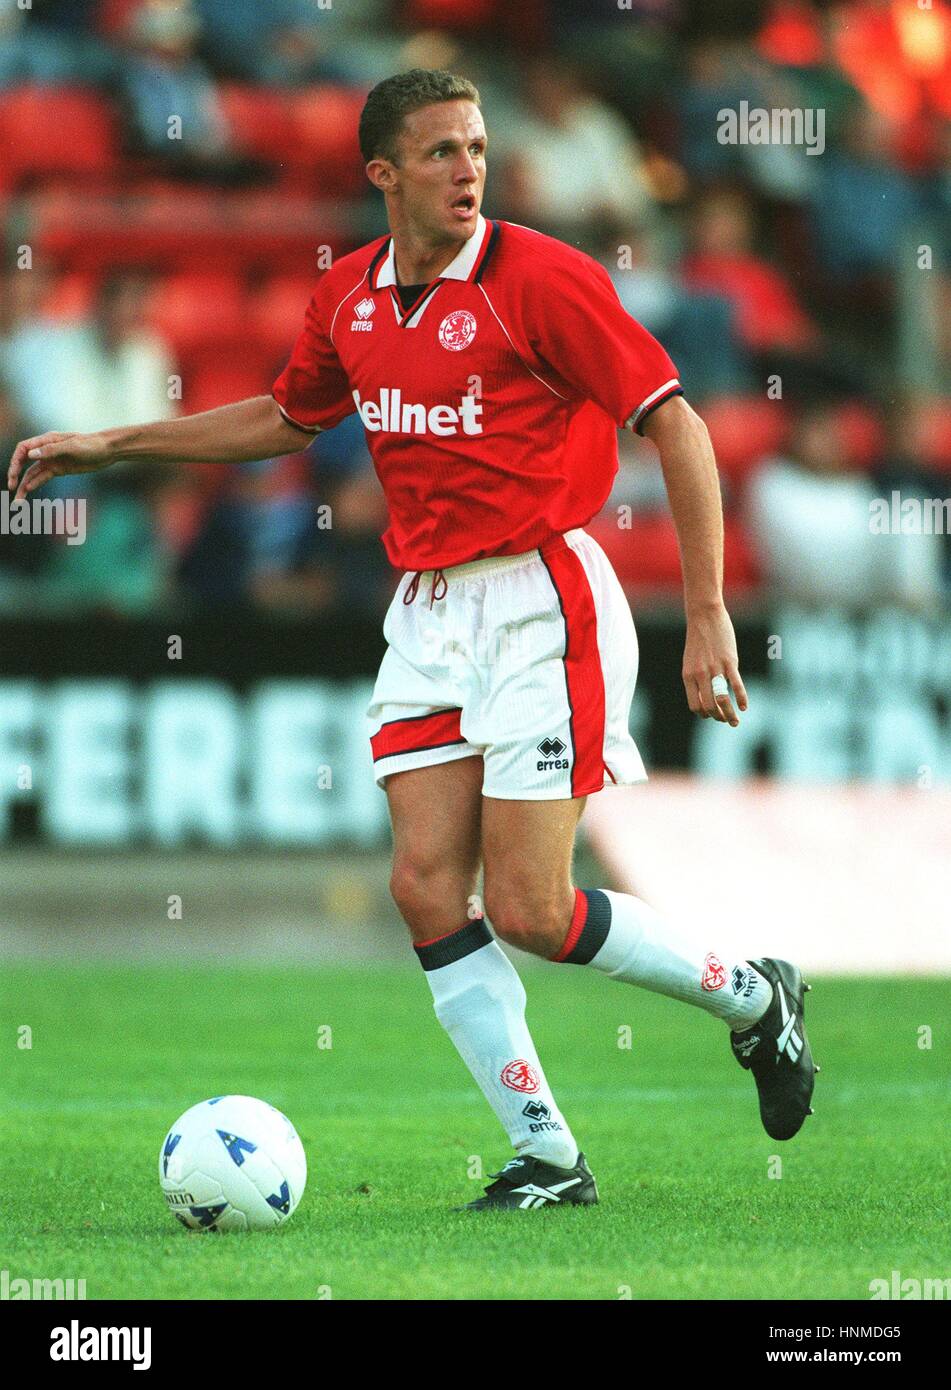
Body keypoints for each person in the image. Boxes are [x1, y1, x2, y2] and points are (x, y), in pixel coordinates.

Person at [7, 69, 816, 1210]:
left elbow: (675, 423)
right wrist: (109, 443)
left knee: (534, 908)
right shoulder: (347, 294)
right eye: (440, 152)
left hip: (545, 597)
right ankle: (548, 1155)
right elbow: (287, 417)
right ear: (382, 173)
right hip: (431, 611)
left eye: (477, 146)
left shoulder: (539, 280)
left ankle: (756, 999)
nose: (468, 168)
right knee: (427, 886)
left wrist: (708, 609)